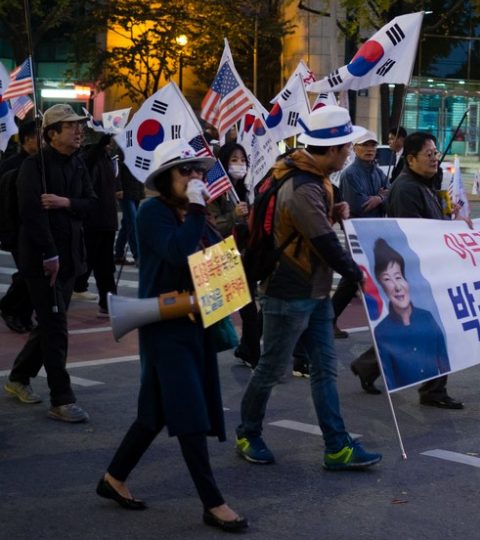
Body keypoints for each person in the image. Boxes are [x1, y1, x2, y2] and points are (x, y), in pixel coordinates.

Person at [97, 139, 247, 532]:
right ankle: (213, 503)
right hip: (165, 328)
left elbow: (221, 261)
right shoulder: (152, 212)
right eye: (186, 172)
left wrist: (238, 221)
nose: (195, 178)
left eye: (199, 172)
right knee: (190, 415)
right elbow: (178, 254)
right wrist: (198, 209)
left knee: (153, 414)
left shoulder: (191, 214)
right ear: (166, 178)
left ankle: (113, 478)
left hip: (193, 325)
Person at [235, 105, 382, 469]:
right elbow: (323, 243)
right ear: (330, 150)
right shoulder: (302, 186)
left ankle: (336, 446)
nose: (350, 151)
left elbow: (309, 226)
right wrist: (360, 275)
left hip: (313, 292)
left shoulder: (313, 178)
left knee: (324, 369)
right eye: (346, 146)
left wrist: (334, 211)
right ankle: (247, 432)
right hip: (289, 291)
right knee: (271, 368)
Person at [351, 132, 466, 408]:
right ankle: (433, 391)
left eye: (436, 153)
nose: (435, 159)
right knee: (437, 329)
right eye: (429, 154)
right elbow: (411, 233)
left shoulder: (424, 184)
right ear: (411, 159)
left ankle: (368, 365)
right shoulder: (406, 189)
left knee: (413, 331)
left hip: (429, 267)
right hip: (419, 271)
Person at [4, 104, 97, 422]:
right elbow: (31, 215)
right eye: (70, 126)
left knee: (49, 324)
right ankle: (62, 398)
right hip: (43, 262)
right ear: (51, 133)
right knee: (56, 329)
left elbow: (91, 203)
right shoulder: (34, 167)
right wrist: (49, 255)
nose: (78, 130)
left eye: (79, 125)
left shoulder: (78, 163)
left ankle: (18, 377)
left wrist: (65, 202)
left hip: (71, 260)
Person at [206, 143, 263, 369]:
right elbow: (213, 225)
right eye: (234, 159)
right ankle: (250, 352)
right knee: (227, 310)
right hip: (222, 254)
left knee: (250, 307)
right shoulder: (216, 189)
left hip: (244, 254)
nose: (239, 164)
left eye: (242, 159)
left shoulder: (247, 189)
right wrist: (234, 214)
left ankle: (248, 349)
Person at [332, 130, 389, 344]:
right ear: (355, 149)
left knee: (359, 276)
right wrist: (378, 198)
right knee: (354, 276)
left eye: (373, 145)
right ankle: (329, 318)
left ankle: (330, 318)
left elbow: (389, 193)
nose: (370, 149)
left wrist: (379, 198)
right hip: (357, 230)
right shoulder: (350, 174)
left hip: (374, 230)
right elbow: (358, 205)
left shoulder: (377, 171)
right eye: (365, 145)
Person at [371, 239, 451, 390]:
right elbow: (390, 378)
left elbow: (443, 360)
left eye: (399, 277)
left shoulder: (427, 317)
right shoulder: (382, 331)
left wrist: (440, 388)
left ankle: (434, 391)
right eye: (387, 279)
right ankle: (365, 368)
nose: (397, 287)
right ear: (381, 286)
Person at [73, 133, 121, 317]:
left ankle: (108, 302)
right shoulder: (86, 157)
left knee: (105, 266)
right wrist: (99, 145)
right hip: (93, 220)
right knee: (88, 260)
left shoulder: (108, 158)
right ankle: (74, 288)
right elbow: (88, 164)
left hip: (107, 220)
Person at [0, 119, 39, 333]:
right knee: (27, 273)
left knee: (33, 274)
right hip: (15, 229)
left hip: (35, 228)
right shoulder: (10, 165)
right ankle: (9, 308)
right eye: (38, 136)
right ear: (27, 139)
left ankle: (24, 314)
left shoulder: (41, 163)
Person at [114, 146, 145, 265]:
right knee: (133, 222)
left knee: (127, 224)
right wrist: (118, 187)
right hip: (125, 191)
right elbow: (117, 170)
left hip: (136, 189)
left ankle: (118, 254)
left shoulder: (141, 149)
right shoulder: (122, 147)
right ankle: (138, 255)